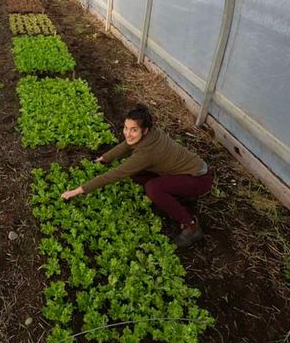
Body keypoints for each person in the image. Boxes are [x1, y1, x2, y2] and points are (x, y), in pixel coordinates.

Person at [61, 103, 212, 248]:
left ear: (144, 130)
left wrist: (77, 191)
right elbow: (126, 144)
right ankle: (174, 194)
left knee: (153, 188)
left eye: (133, 130)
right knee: (137, 174)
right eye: (126, 128)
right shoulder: (151, 134)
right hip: (184, 172)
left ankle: (191, 227)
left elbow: (114, 175)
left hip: (198, 179)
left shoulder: (146, 153)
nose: (127, 133)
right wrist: (104, 158)